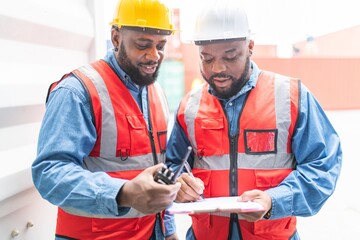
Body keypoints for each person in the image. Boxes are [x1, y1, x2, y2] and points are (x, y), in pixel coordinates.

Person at [165, 1, 342, 239]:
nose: (218, 68)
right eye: (207, 59)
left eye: (230, 56)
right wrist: (178, 183)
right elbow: (171, 166)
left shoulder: (291, 97)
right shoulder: (189, 107)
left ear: (249, 47)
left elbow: (323, 165)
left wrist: (275, 200)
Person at [31, 0, 181, 239]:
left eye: (161, 45)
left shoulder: (155, 92)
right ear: (116, 38)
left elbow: (156, 172)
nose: (154, 55)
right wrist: (123, 192)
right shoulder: (77, 91)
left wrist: (168, 230)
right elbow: (49, 173)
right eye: (143, 45)